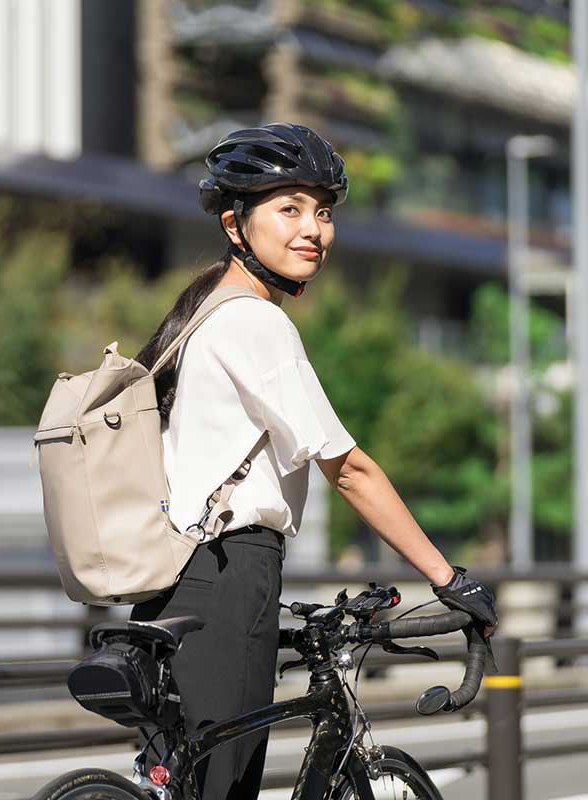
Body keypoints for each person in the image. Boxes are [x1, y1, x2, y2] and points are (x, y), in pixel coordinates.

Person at [131, 123, 498, 799]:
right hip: (228, 571)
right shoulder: (254, 323)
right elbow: (348, 467)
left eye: (323, 212)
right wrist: (446, 577)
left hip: (177, 578)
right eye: (289, 208)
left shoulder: (205, 312)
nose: (314, 229)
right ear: (235, 225)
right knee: (226, 787)